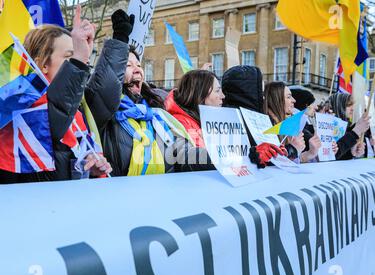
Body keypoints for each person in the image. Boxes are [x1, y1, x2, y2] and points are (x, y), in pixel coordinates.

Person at [85, 10, 216, 176]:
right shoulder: (105, 113)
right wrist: (120, 40)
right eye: (128, 65)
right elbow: (105, 87)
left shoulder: (157, 114)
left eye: (139, 65)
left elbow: (181, 153)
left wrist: (223, 158)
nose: (138, 70)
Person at [3, 6, 112, 184]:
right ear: (42, 64)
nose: (80, 61)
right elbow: (54, 117)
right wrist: (79, 61)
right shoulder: (20, 106)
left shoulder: (76, 114)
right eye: (69, 57)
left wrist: (92, 167)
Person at [263, 82, 322, 163]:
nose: (294, 100)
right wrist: (293, 150)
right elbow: (270, 163)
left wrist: (311, 153)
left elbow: (295, 161)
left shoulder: (288, 124)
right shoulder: (265, 127)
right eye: (289, 97)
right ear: (276, 100)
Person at [164, 69, 225, 148]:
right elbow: (198, 158)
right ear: (200, 94)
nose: (223, 96)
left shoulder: (201, 120)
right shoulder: (182, 124)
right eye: (217, 91)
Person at [327, 93, 370, 160]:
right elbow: (331, 155)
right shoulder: (327, 126)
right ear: (339, 105)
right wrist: (356, 131)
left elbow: (342, 153)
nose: (352, 109)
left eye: (352, 105)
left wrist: (353, 152)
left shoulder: (348, 126)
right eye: (348, 105)